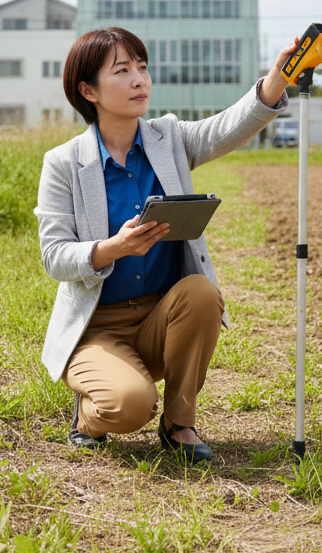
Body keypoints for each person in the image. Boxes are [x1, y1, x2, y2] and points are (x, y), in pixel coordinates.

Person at [35, 27, 296, 463]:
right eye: (122, 70)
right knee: (129, 405)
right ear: (88, 90)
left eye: (142, 67)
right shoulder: (63, 163)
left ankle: (179, 424)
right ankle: (87, 415)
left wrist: (275, 81)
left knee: (200, 291)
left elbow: (224, 129)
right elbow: (54, 256)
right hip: (96, 327)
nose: (140, 79)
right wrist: (112, 247)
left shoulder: (168, 139)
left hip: (162, 315)